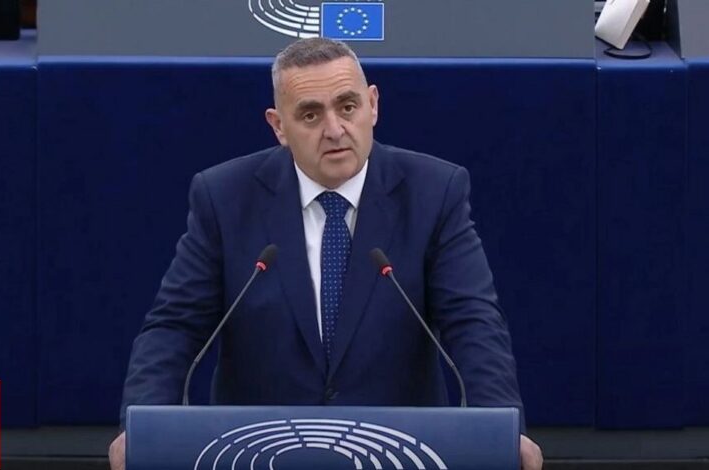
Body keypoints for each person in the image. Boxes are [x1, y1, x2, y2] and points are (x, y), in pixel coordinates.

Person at [109, 37, 543, 470]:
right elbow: (175, 327)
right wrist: (142, 426)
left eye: (347, 107)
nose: (334, 130)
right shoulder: (225, 197)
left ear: (373, 105)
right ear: (279, 126)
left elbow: (473, 321)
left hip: (398, 452)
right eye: (311, 115)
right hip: (258, 452)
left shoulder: (433, 191)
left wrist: (502, 430)